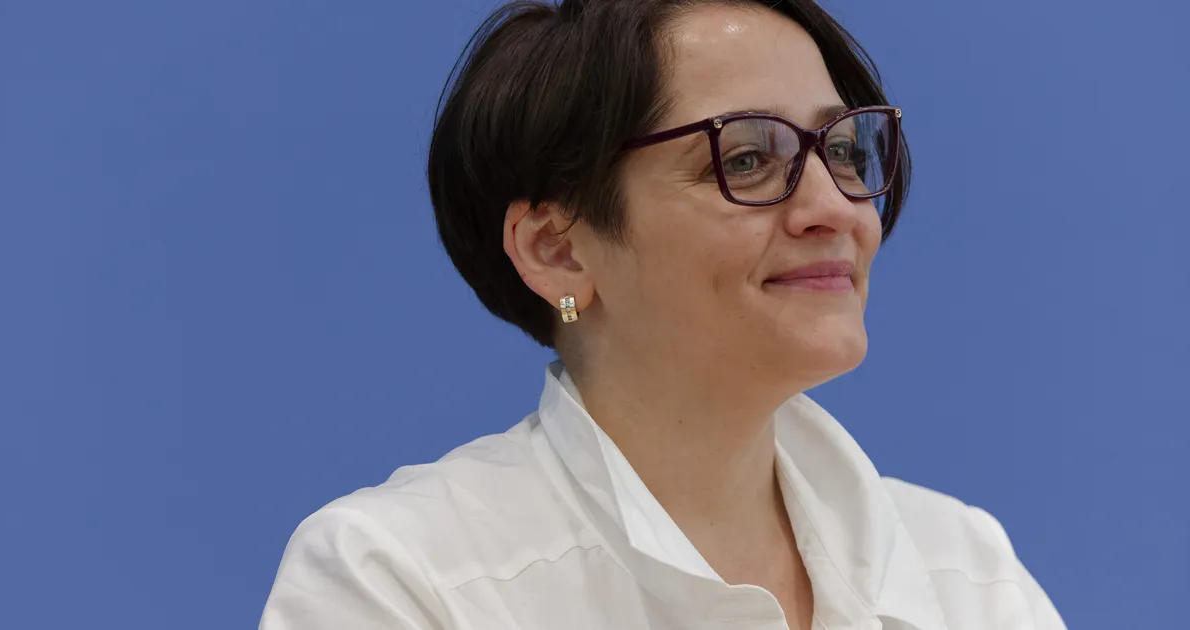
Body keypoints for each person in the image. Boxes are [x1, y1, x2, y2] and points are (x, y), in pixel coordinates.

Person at [259, 1, 1066, 628]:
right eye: (746, 159)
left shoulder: (965, 571)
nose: (835, 208)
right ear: (557, 251)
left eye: (845, 151)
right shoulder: (402, 578)